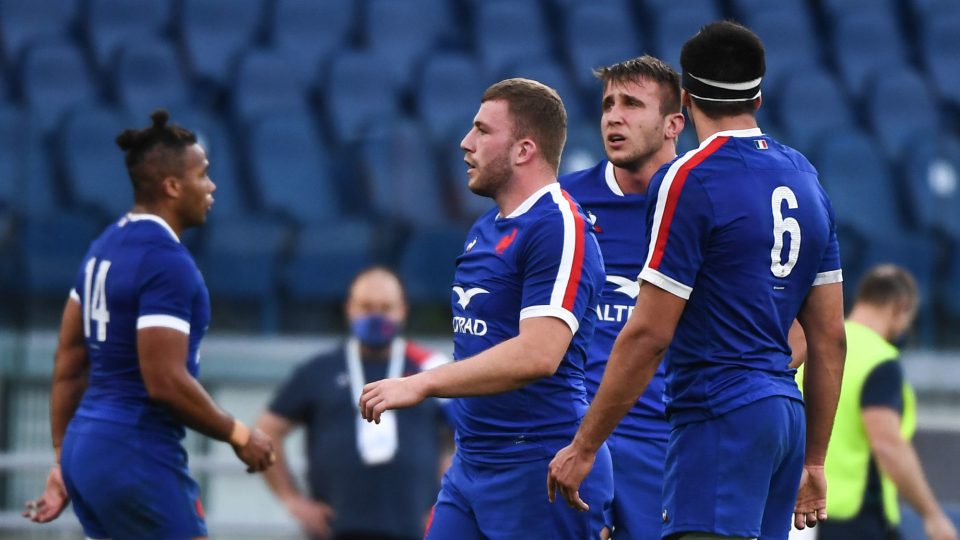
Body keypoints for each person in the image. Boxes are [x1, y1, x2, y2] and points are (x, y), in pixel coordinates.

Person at [546, 21, 847, 540]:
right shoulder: (805, 176)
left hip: (717, 413)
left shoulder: (687, 177)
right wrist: (816, 460)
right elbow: (829, 339)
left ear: (685, 100)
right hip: (785, 418)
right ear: (757, 94)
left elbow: (648, 334)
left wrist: (585, 446)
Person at [359, 78, 612, 539]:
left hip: (539, 464)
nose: (465, 143)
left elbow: (538, 354)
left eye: (481, 131)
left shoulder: (559, 227)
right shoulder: (483, 227)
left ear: (523, 150)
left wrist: (423, 384)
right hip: (472, 462)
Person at [22, 110, 275, 540]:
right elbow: (164, 381)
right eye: (204, 174)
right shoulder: (166, 262)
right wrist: (238, 433)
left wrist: (63, 460)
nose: (212, 187)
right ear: (172, 186)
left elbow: (68, 360)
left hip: (87, 446)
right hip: (135, 450)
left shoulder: (103, 246)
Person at [557, 55, 684, 540]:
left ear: (674, 123)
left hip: (667, 444)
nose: (614, 115)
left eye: (632, 103)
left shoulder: (707, 204)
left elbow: (791, 336)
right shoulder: (562, 206)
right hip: (571, 438)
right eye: (608, 103)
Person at [255, 266, 454, 540]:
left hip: (416, 530)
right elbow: (266, 431)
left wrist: (446, 505)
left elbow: (464, 438)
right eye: (366, 306)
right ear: (349, 308)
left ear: (403, 310)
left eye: (386, 308)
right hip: (335, 529)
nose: (375, 316)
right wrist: (292, 500)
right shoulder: (319, 371)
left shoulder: (429, 369)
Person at [798, 265, 958, 540]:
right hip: (855, 518)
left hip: (802, 511)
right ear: (902, 306)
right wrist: (932, 514)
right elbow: (887, 445)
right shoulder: (879, 360)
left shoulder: (817, 346)